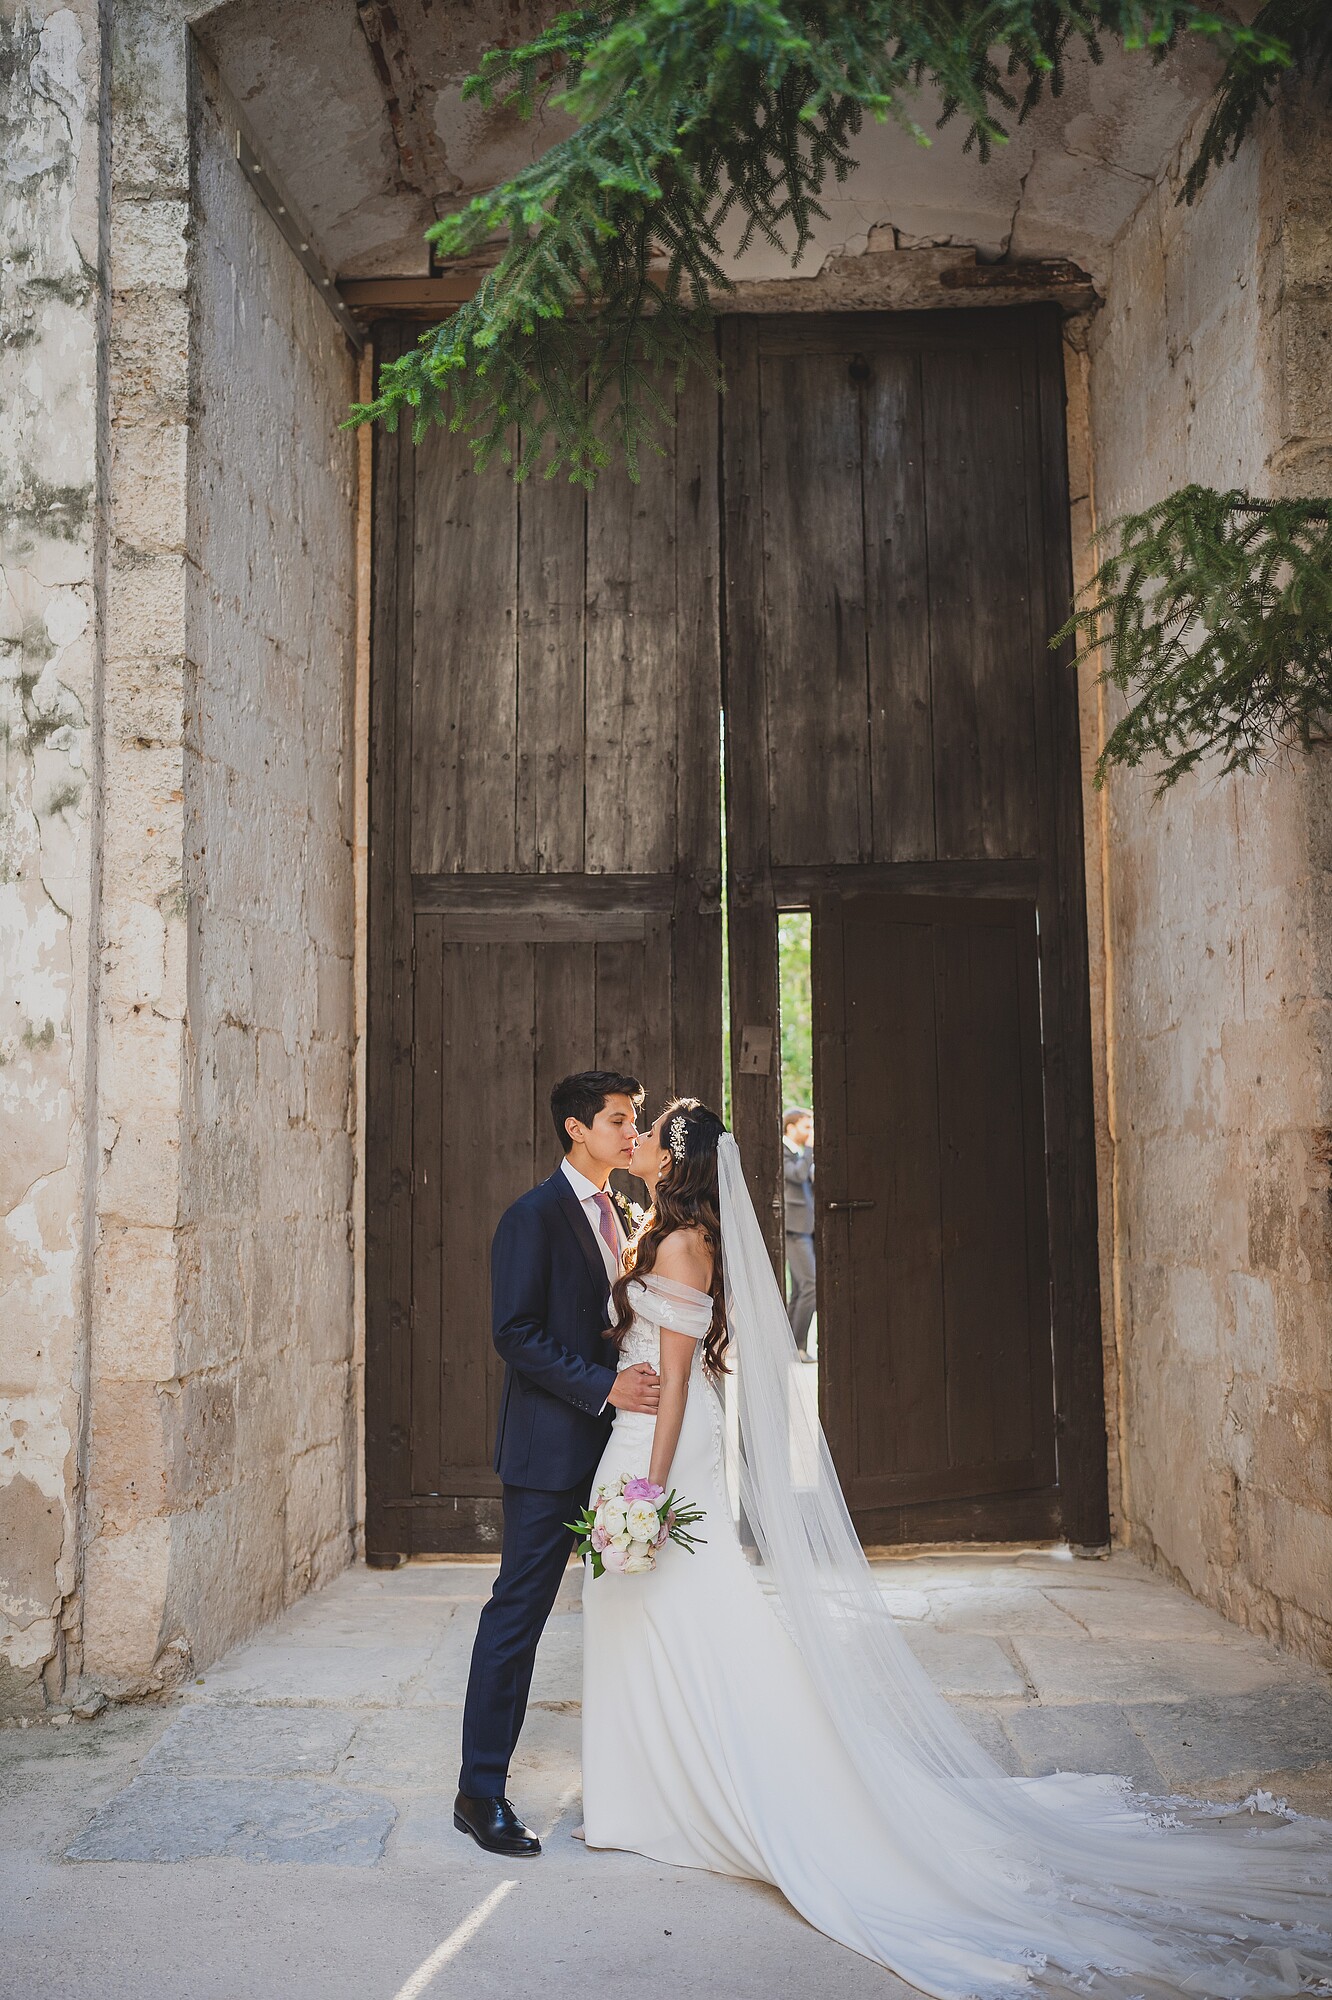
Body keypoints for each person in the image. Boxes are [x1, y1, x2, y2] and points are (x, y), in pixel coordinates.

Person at [580, 1100, 1332, 1999]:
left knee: (675, 1607)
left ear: (677, 1159)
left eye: (651, 1133)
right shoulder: (676, 1232)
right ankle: (652, 1788)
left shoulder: (678, 1244)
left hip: (661, 1450)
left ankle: (679, 1794)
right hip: (658, 1436)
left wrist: (649, 1492)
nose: (638, 1140)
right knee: (658, 1611)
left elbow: (672, 1387)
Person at [453, 1070, 662, 1858]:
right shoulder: (532, 1216)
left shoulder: (624, 1210)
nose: (631, 1132)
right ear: (576, 1128)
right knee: (518, 1616)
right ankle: (479, 1793)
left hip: (618, 1449)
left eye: (634, 1120)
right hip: (548, 1451)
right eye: (617, 1120)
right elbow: (515, 1334)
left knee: (636, 1611)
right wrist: (605, 1388)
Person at [781, 1106, 816, 1358]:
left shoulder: (797, 1154)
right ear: (790, 1128)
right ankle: (799, 1347)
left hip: (804, 1229)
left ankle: (791, 1347)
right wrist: (811, 1149)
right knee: (811, 1285)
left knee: (799, 1290)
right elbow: (798, 1174)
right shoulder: (782, 1152)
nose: (810, 1132)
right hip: (793, 1230)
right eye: (807, 1127)